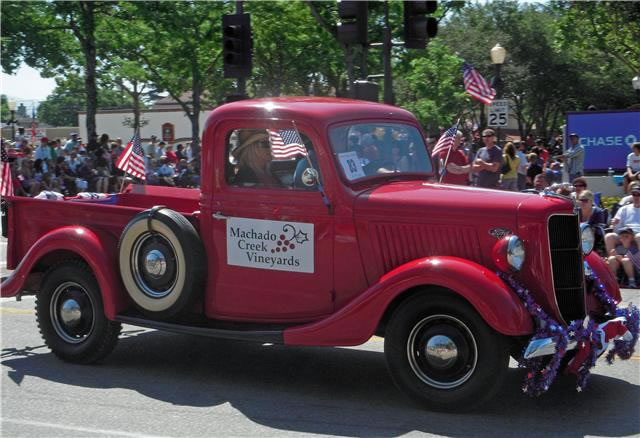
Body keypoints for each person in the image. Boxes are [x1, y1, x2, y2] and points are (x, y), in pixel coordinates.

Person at [605, 184, 640, 255]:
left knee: (638, 236)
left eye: (639, 195)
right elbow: (616, 229)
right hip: (625, 234)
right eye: (634, 194)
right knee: (609, 236)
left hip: (637, 234)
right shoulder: (624, 209)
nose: (636, 197)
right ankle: (612, 259)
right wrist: (615, 224)